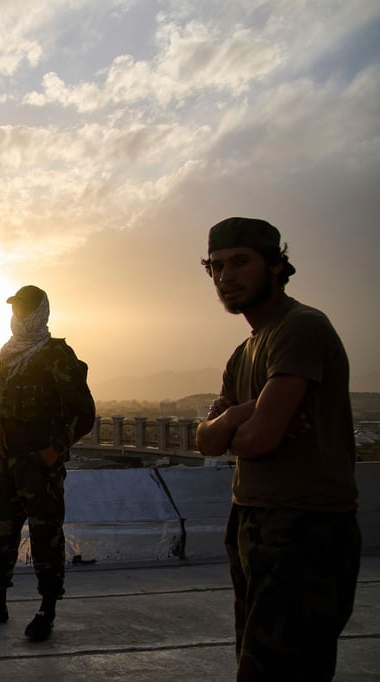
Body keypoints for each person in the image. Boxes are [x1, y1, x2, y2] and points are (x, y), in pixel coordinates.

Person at [195, 217, 359, 680]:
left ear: (275, 265)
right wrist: (240, 416)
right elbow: (206, 440)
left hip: (305, 526)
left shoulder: (300, 328)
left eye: (240, 262)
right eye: (217, 266)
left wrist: (240, 427)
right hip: (251, 519)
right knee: (255, 659)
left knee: (286, 669)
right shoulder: (244, 352)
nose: (226, 276)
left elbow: (260, 440)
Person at [0, 285, 94, 642]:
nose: (19, 315)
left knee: (45, 535)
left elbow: (84, 413)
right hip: (9, 463)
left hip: (40, 466)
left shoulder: (56, 355)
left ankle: (47, 609)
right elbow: (2, 396)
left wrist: (55, 450)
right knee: (0, 532)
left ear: (40, 312)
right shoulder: (9, 352)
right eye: (16, 308)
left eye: (25, 309)